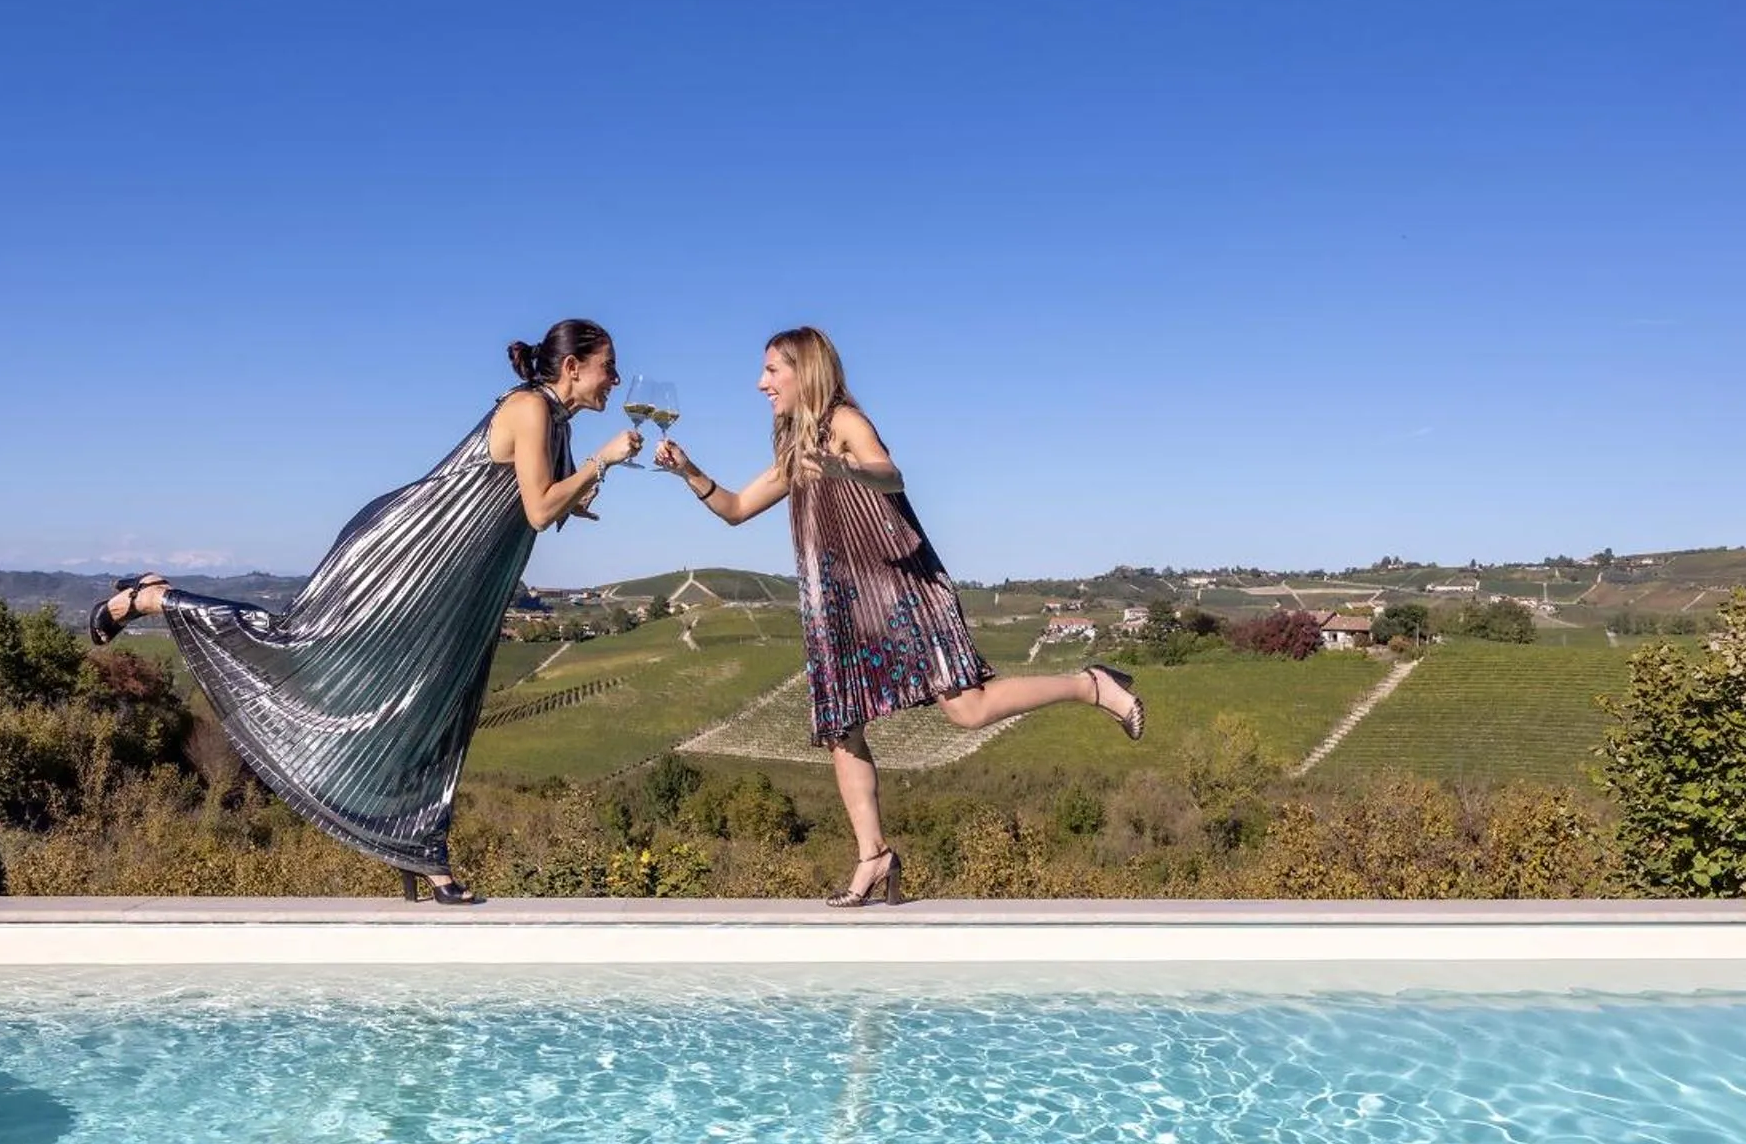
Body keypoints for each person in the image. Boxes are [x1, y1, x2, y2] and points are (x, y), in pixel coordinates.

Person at [89, 319, 641, 904]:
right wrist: (600, 463)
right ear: (573, 366)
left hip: (455, 582)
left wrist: (578, 491)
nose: (616, 378)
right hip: (410, 557)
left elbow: (537, 503)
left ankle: (420, 848)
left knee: (434, 700)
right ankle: (153, 597)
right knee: (300, 645)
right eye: (608, 366)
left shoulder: (555, 422)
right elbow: (537, 510)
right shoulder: (530, 408)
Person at [653, 325, 1143, 907]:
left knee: (967, 709)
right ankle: (874, 856)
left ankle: (1091, 684)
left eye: (772, 370)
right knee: (841, 727)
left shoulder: (844, 423)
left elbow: (890, 473)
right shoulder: (796, 450)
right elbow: (735, 508)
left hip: (898, 589)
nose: (761, 383)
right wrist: (688, 471)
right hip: (839, 606)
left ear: (806, 371)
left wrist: (847, 470)